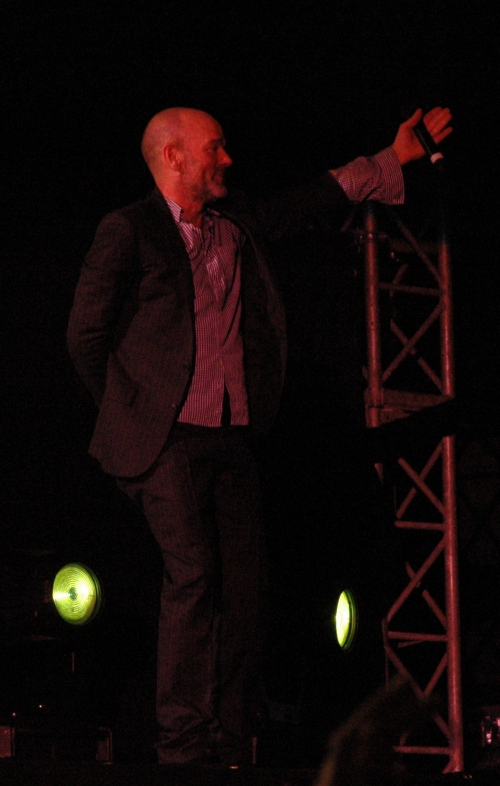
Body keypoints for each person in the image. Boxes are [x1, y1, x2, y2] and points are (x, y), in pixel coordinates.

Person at [67, 105, 452, 766]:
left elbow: (312, 198)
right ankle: (183, 745)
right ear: (175, 156)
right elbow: (85, 335)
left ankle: (228, 738)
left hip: (232, 435)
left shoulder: (235, 223)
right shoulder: (128, 231)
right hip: (168, 441)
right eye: (215, 148)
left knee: (246, 590)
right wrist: (132, 417)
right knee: (194, 576)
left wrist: (392, 159)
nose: (228, 159)